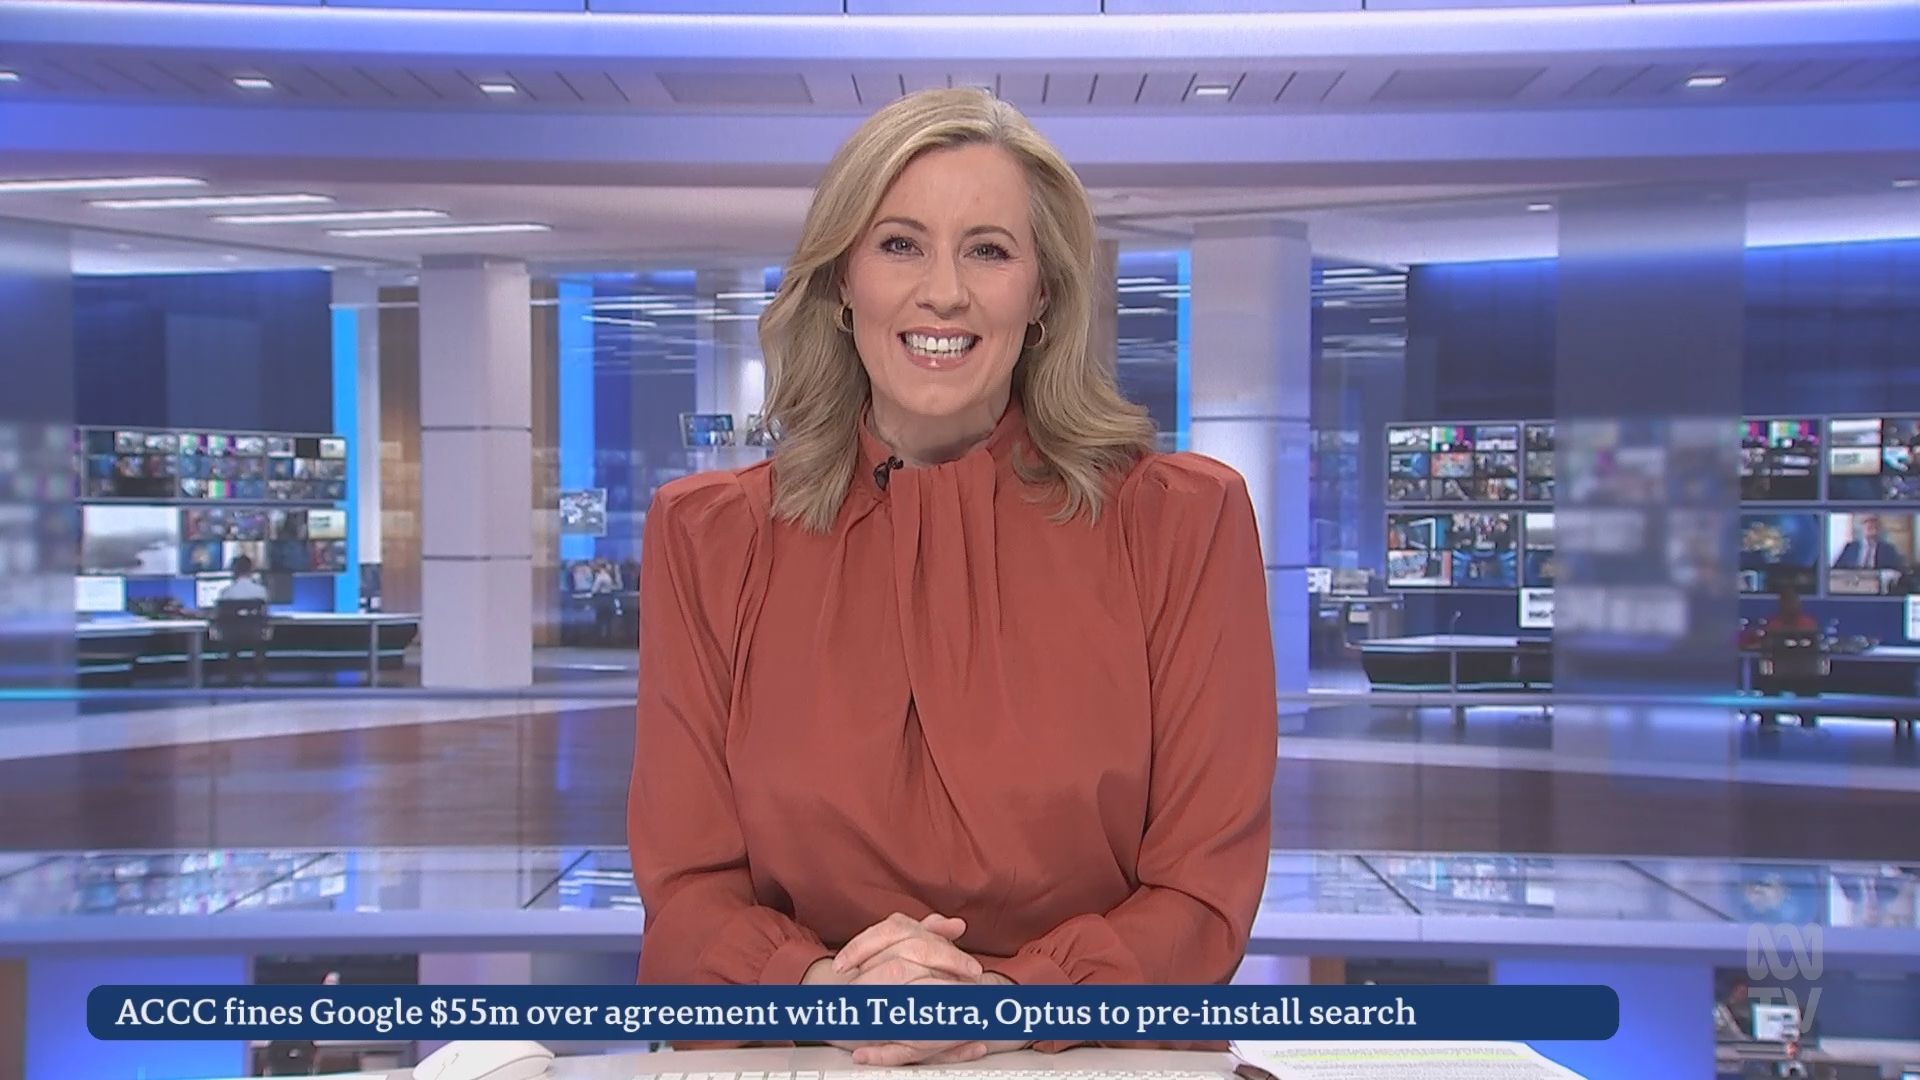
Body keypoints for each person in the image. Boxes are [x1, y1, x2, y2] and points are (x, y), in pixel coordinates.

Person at [629, 87, 1277, 1068]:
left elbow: (1202, 896)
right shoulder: (710, 537)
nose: (945, 293)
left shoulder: (1182, 522)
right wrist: (829, 992)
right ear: (842, 282)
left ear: (1043, 293)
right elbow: (686, 899)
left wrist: (1007, 1004)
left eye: (988, 250)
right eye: (900, 245)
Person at [1832, 513, 1905, 573]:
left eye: (1874, 522)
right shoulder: (1850, 547)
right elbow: (1835, 571)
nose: (1870, 525)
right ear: (1861, 527)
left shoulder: (1888, 549)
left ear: (1879, 527)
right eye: (1866, 522)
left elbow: (1899, 571)